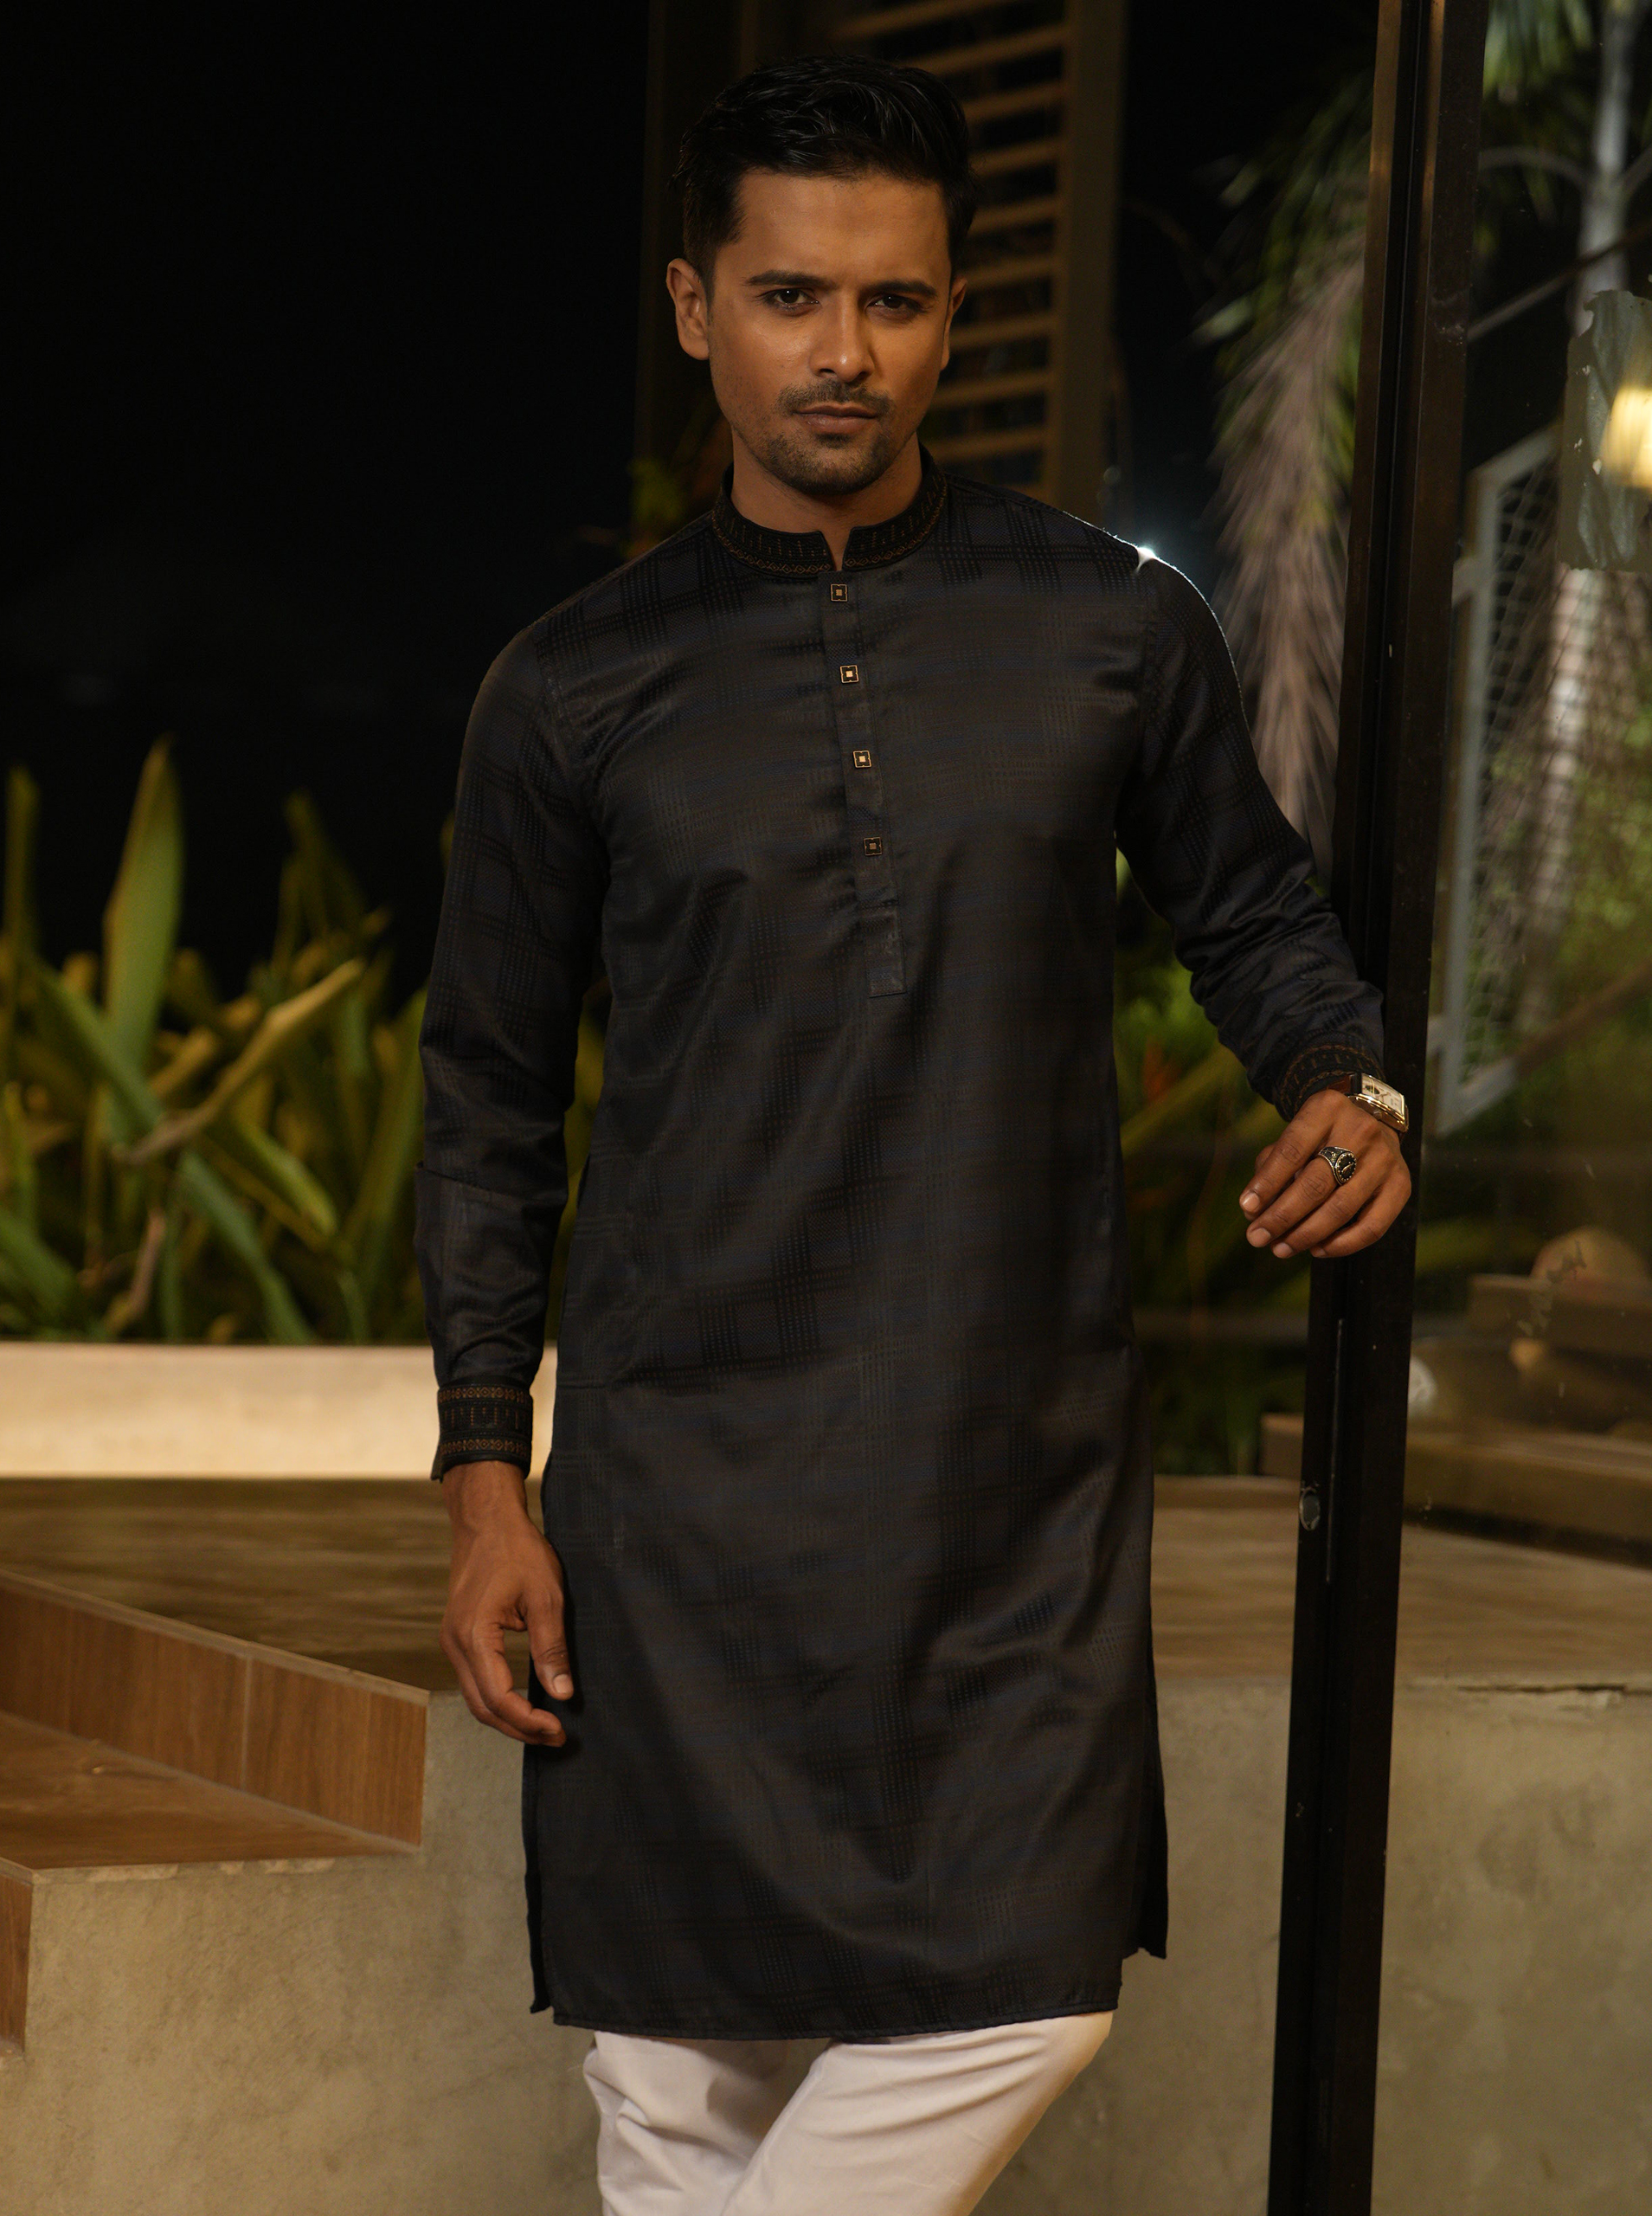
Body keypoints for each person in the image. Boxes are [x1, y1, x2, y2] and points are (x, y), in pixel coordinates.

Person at [415, 54, 1411, 2216]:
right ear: (696, 306)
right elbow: (485, 1093)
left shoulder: (1108, 629)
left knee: (1025, 1988)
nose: (842, 352)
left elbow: (1253, 919)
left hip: (1006, 1472)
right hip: (679, 1488)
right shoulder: (572, 688)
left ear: (954, 313)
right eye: (790, 296)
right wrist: (487, 1475)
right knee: (673, 2073)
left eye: (892, 300)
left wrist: (1344, 1081)